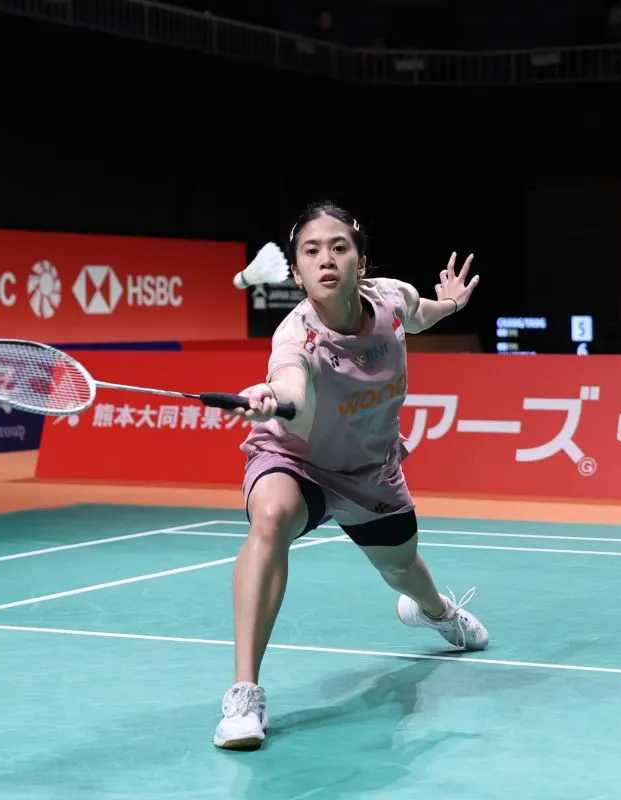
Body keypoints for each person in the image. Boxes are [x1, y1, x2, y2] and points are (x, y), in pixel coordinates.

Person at [212, 201, 489, 751]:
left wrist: (452, 304)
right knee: (272, 517)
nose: (326, 259)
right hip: (297, 460)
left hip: (369, 472)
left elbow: (420, 314)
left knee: (402, 568)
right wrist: (270, 397)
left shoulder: (391, 299)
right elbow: (289, 385)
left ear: (360, 262)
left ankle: (435, 611)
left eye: (338, 247)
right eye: (311, 251)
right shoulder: (295, 336)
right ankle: (244, 693)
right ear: (297, 273)